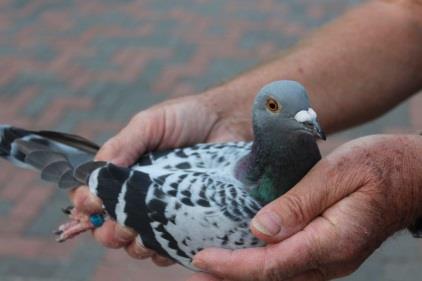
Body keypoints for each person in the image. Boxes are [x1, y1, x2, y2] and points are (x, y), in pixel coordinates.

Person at [69, 1, 422, 280]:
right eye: (272, 107)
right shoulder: (239, 213)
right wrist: (217, 111)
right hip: (161, 180)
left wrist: (413, 178)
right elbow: (412, 13)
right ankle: (99, 213)